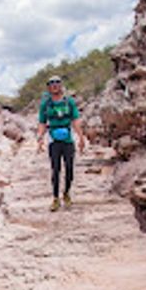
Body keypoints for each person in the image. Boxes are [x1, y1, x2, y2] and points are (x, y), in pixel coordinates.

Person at [37, 75, 86, 211]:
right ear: (48, 87)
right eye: (51, 83)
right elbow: (42, 122)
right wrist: (40, 138)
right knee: (55, 169)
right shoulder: (46, 104)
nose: (54, 85)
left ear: (61, 85)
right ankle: (55, 198)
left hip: (68, 139)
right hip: (53, 140)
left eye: (57, 83)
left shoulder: (69, 102)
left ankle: (66, 193)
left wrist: (81, 137)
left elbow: (75, 120)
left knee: (69, 168)